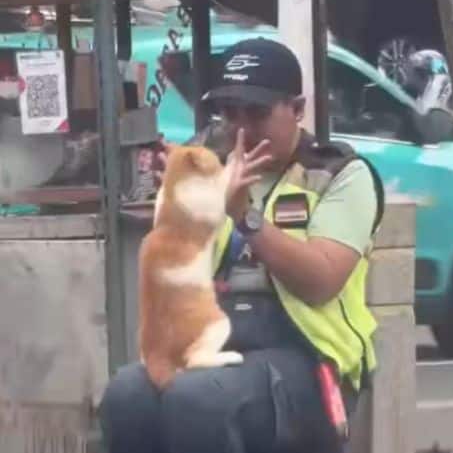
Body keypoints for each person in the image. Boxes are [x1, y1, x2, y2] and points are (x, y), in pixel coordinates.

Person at [99, 38, 384, 453]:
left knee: (198, 399)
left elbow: (322, 280)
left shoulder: (339, 175)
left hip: (310, 361)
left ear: (298, 109)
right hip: (214, 345)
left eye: (258, 112)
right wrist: (177, 203)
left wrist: (244, 216)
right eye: (231, 113)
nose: (243, 129)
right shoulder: (210, 168)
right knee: (127, 394)